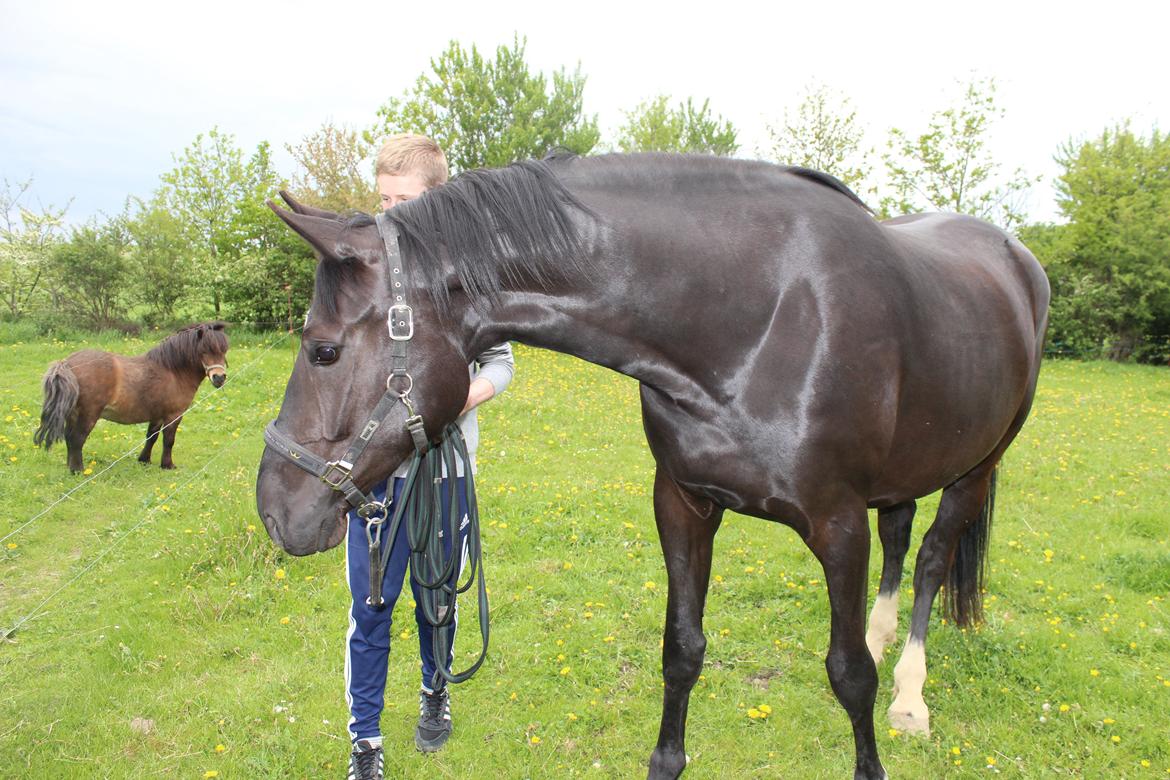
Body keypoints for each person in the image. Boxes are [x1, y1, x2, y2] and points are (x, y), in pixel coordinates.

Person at [346, 134, 515, 780]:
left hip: (443, 472)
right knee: (371, 607)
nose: (390, 212)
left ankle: (434, 688)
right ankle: (365, 739)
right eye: (383, 198)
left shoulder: (468, 279)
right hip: (378, 478)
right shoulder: (366, 270)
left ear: (435, 198)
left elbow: (501, 365)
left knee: (435, 598)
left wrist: (450, 401)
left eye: (404, 200)